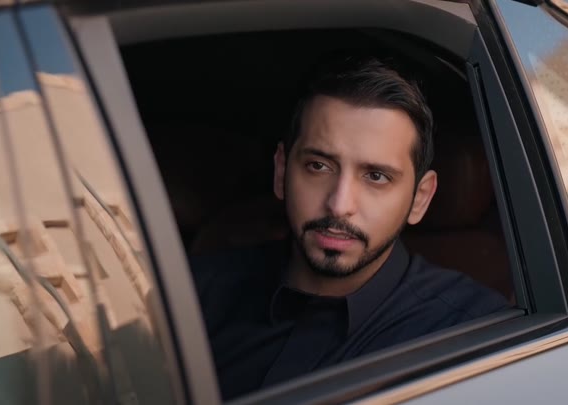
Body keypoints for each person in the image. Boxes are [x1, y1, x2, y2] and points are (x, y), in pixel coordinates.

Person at [191, 55, 508, 400]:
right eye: (318, 166)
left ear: (420, 198)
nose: (339, 205)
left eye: (376, 176)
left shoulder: (473, 335)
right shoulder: (198, 291)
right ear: (281, 172)